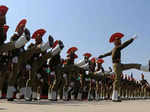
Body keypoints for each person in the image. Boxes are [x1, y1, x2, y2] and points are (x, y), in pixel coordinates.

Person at [98, 32, 150, 102]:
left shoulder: (114, 49)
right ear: (115, 42)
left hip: (120, 65)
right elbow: (125, 45)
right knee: (117, 80)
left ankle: (146, 68)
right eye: (118, 39)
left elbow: (108, 53)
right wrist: (132, 39)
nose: (120, 40)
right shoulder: (117, 48)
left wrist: (102, 56)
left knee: (132, 65)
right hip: (117, 65)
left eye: (120, 39)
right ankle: (114, 97)